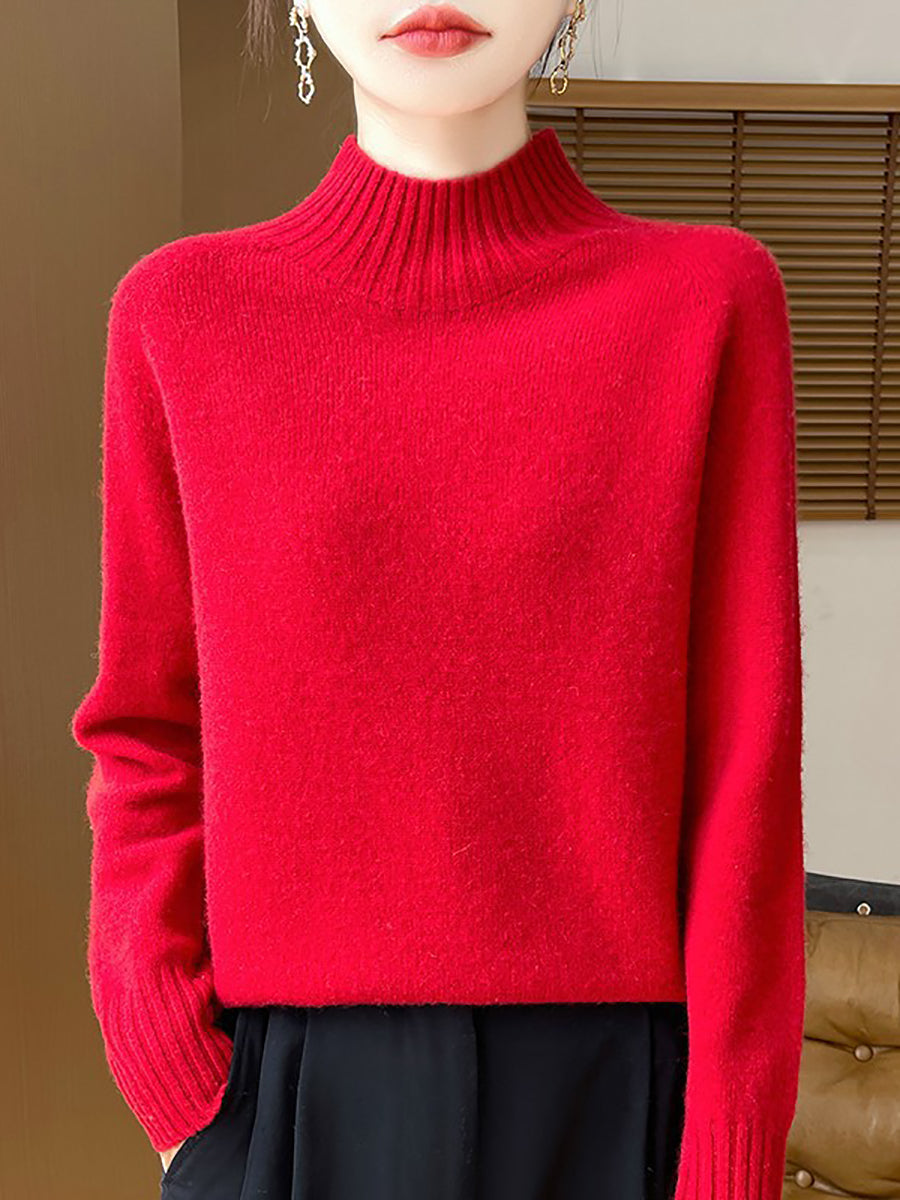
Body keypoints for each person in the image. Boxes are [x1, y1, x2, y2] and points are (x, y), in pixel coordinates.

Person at [69, 1, 807, 1197]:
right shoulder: (183, 316)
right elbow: (148, 731)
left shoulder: (708, 301)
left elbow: (745, 771)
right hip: (286, 1097)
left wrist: (729, 1153)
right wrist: (184, 1092)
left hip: (621, 1095)